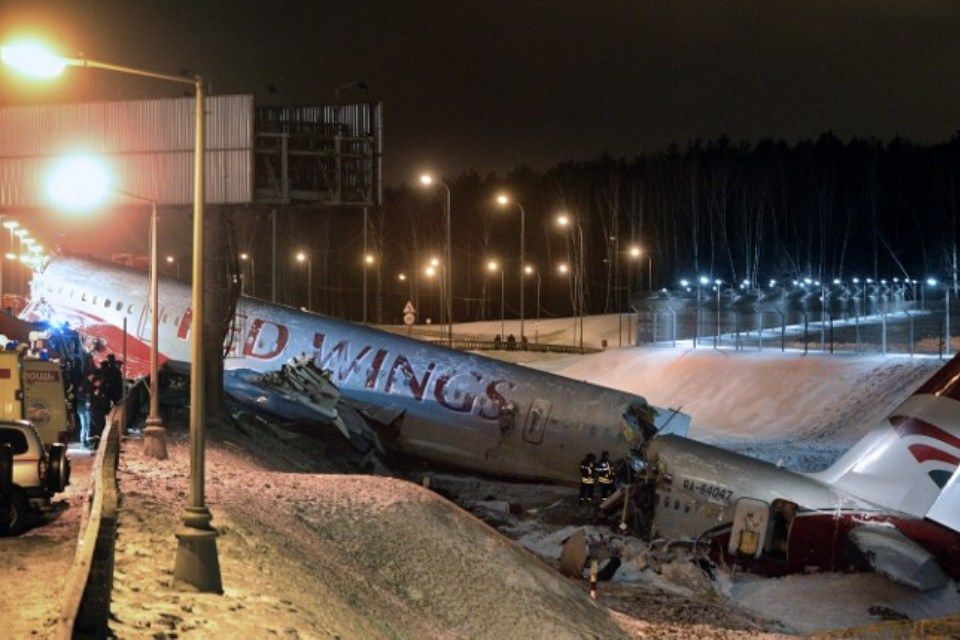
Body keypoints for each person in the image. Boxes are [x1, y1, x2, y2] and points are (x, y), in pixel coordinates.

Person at [77, 373, 94, 448]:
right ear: (89, 375)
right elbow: (80, 395)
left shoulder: (89, 384)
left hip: (84, 408)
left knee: (86, 425)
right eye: (92, 375)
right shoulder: (84, 384)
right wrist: (88, 398)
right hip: (83, 408)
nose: (93, 377)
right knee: (85, 425)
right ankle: (84, 441)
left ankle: (85, 441)